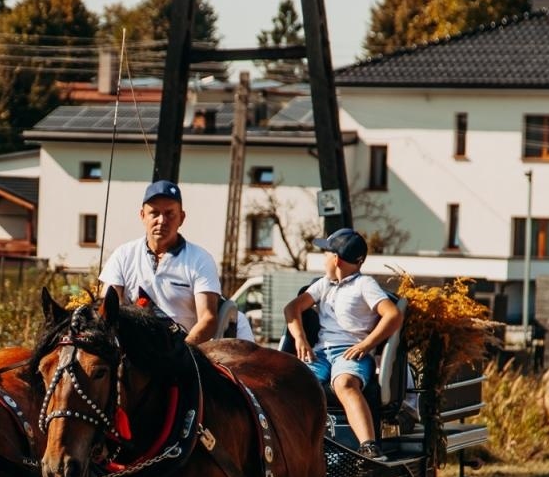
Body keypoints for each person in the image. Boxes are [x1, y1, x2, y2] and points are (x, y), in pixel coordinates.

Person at [283, 227, 402, 460]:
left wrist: (367, 344)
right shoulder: (324, 284)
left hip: (350, 353)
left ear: (335, 259)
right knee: (298, 384)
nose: (324, 258)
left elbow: (393, 315)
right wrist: (300, 338)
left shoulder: (364, 284)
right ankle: (293, 444)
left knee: (345, 383)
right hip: (320, 353)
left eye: (326, 253)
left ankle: (368, 445)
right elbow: (292, 308)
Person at [99, 179, 254, 344]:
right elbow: (107, 307)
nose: (162, 220)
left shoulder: (200, 259)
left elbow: (208, 318)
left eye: (169, 213)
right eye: (154, 213)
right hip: (136, 352)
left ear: (182, 217)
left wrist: (181, 353)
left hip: (186, 348)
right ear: (142, 215)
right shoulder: (123, 255)